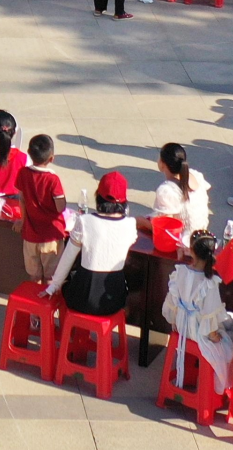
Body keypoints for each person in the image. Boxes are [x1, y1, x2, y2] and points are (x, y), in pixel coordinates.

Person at [43, 172, 137, 315]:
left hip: (83, 298)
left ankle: (67, 328)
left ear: (98, 196)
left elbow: (68, 257)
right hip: (114, 300)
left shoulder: (84, 221)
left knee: (67, 285)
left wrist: (54, 285)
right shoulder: (130, 224)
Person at [162, 231, 233, 398]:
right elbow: (210, 319)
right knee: (229, 343)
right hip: (198, 333)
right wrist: (215, 336)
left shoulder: (179, 272)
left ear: (192, 251)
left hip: (181, 327)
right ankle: (217, 390)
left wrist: (175, 321)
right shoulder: (209, 283)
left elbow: (171, 303)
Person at [15, 134, 67, 280]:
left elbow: (22, 200)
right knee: (51, 279)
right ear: (51, 158)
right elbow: (60, 207)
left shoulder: (23, 173)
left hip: (30, 236)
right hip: (51, 237)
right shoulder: (53, 179)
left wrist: (22, 221)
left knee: (34, 276)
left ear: (29, 153)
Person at [153, 142, 210, 234]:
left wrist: (140, 221)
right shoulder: (196, 175)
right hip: (202, 234)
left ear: (163, 164)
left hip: (184, 239)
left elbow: (165, 229)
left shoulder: (167, 190)